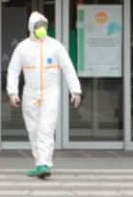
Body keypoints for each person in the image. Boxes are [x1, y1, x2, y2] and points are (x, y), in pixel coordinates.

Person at [6, 11, 82, 179]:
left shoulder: (55, 46)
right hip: (30, 93)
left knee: (46, 128)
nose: (42, 29)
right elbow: (13, 71)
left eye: (44, 26)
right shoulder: (23, 47)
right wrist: (13, 92)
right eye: (38, 26)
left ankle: (45, 163)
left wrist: (75, 90)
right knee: (33, 129)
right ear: (31, 28)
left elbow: (68, 68)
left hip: (50, 92)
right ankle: (39, 162)